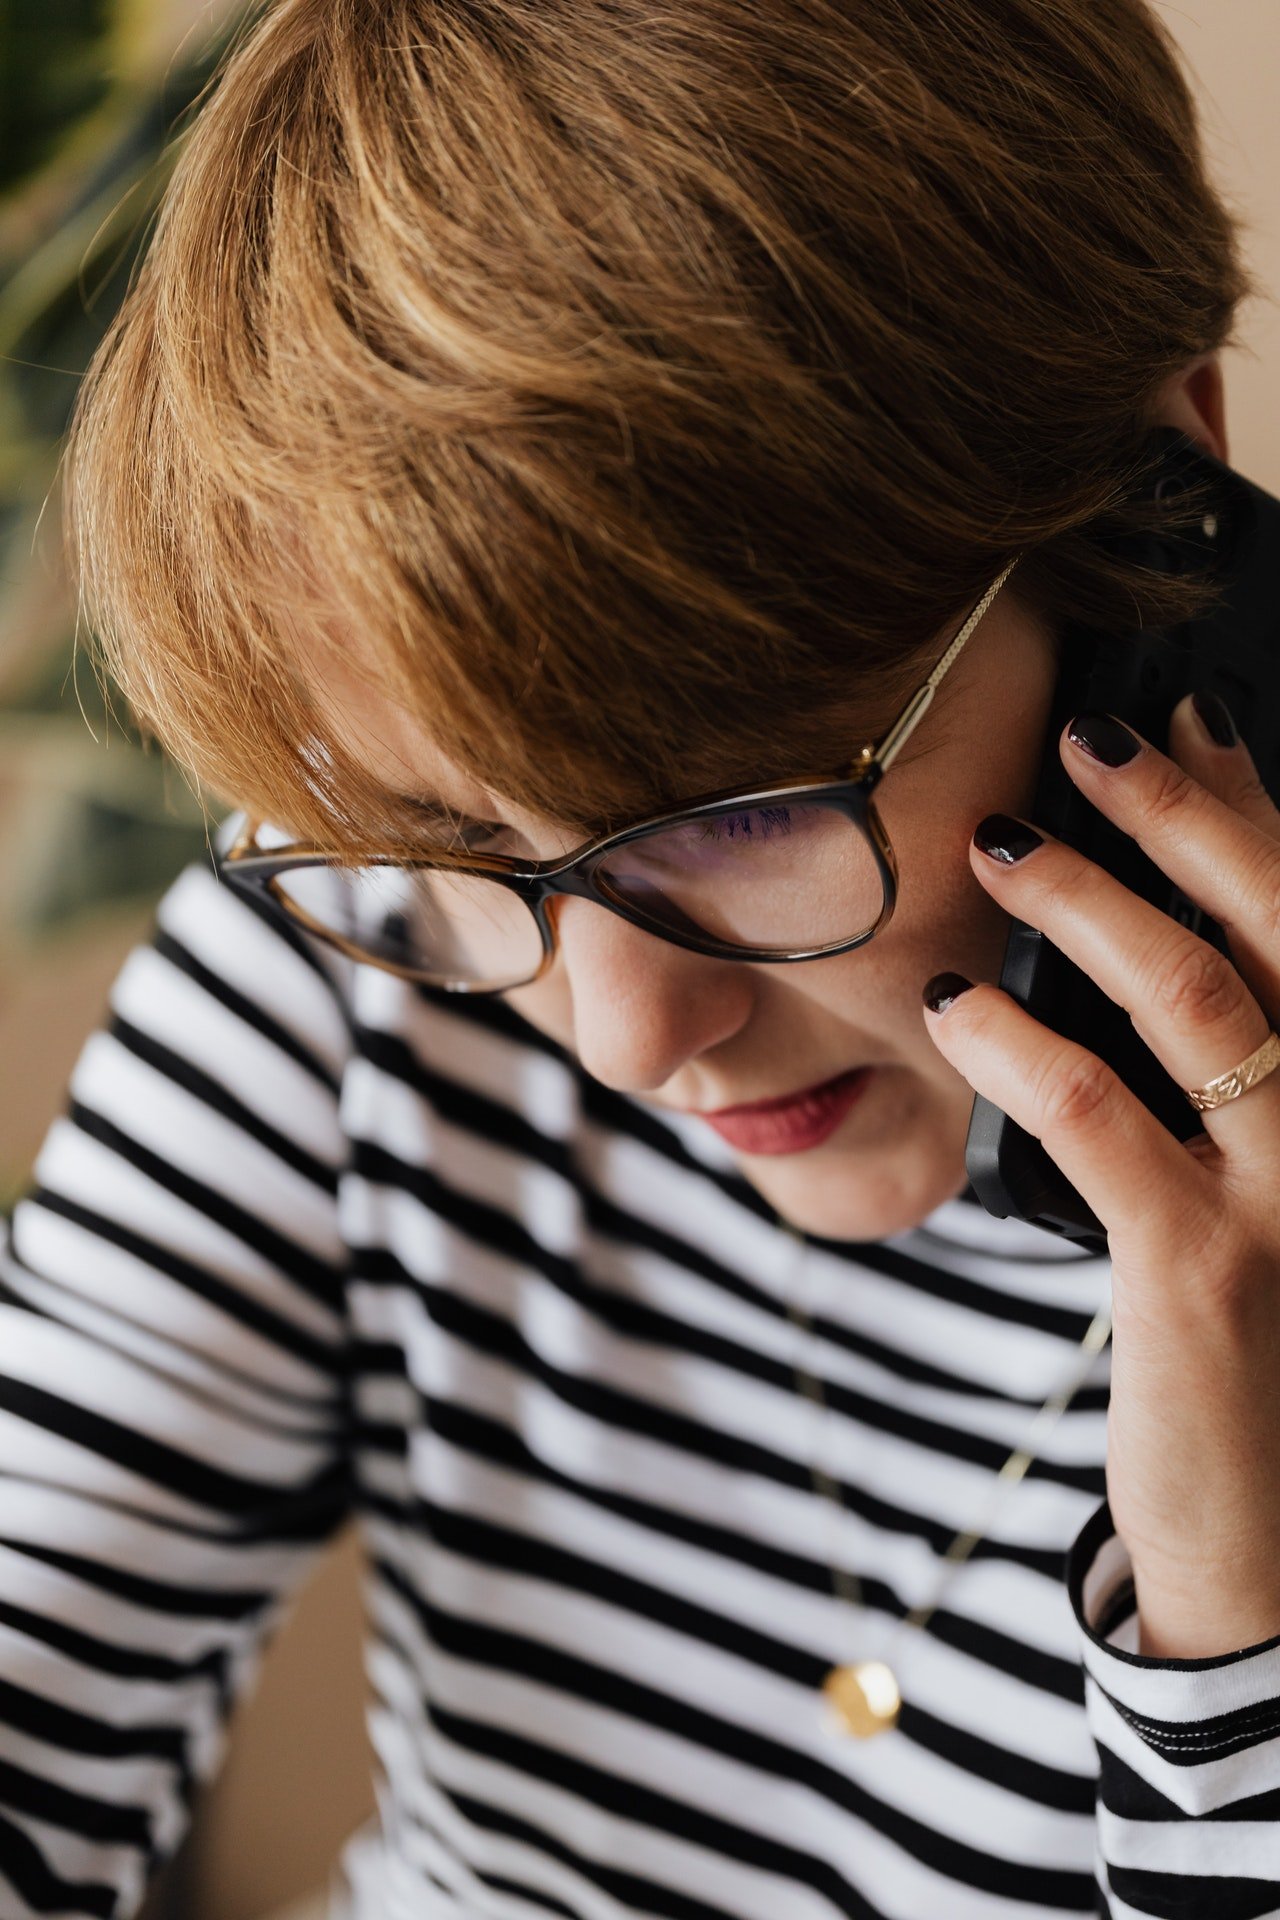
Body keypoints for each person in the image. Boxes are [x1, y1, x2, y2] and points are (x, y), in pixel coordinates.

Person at [4, 0, 1279, 1913]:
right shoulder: (362, 953)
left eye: (743, 810)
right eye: (451, 838)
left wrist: (1238, 1608)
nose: (623, 1033)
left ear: (1161, 495)